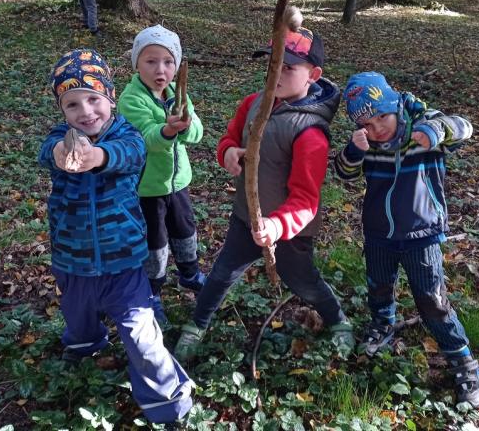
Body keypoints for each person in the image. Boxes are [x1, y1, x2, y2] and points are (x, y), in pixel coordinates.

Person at [173, 21, 354, 363]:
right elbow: (230, 137)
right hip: (246, 218)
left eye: (289, 67)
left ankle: (337, 319)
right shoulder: (253, 104)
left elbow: (306, 200)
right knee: (222, 274)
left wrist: (276, 226)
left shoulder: (310, 133)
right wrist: (228, 152)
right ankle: (197, 324)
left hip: (290, 234)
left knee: (304, 281)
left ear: (313, 75)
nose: (277, 73)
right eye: (273, 65)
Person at [39, 48, 193, 425]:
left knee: (142, 336)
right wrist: (61, 152)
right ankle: (86, 342)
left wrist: (98, 157)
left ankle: (167, 402)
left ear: (110, 97)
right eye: (72, 104)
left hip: (123, 262)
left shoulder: (126, 134)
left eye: (94, 99)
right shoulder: (60, 138)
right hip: (72, 261)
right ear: (62, 110)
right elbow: (47, 153)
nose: (86, 112)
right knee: (78, 315)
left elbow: (131, 154)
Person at [334, 71, 479, 408]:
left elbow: (464, 128)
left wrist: (437, 131)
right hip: (379, 232)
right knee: (378, 286)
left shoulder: (423, 124)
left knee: (431, 299)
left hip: (422, 233)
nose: (377, 128)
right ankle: (382, 325)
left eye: (381, 117)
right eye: (367, 124)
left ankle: (462, 360)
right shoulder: (367, 142)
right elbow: (343, 172)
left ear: (394, 105)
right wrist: (354, 150)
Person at [118, 25, 207, 325]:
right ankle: (152, 290)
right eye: (151, 61)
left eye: (168, 62)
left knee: (185, 230)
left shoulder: (177, 94)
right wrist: (168, 130)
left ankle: (189, 273)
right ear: (137, 64)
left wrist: (186, 124)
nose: (160, 69)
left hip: (177, 183)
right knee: (155, 241)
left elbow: (197, 132)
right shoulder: (131, 100)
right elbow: (144, 138)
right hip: (148, 188)